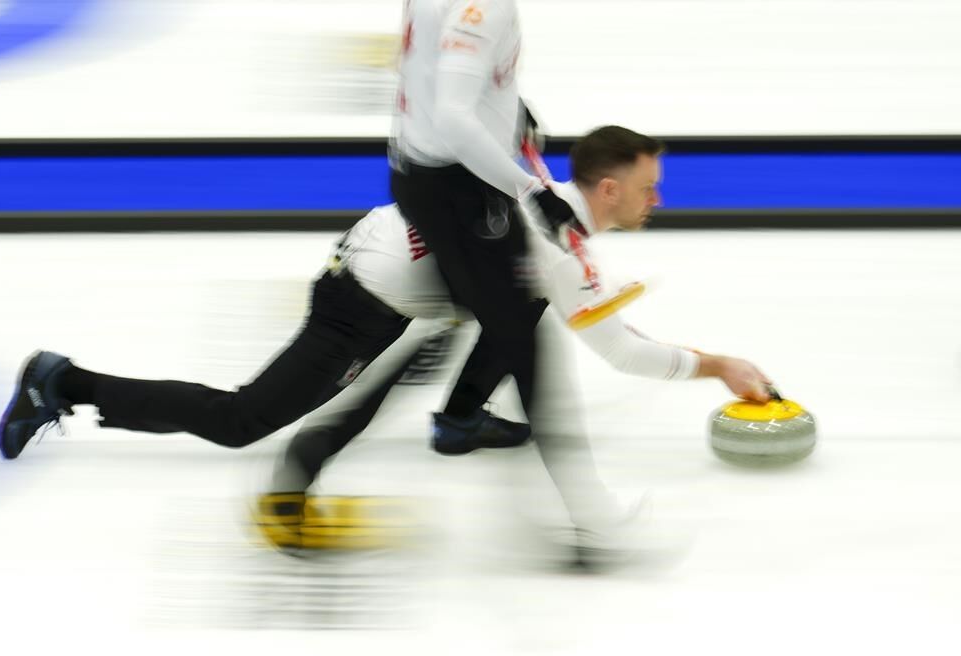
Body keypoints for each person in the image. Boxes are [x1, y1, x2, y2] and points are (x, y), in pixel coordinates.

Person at [254, 126, 773, 558]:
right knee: (256, 415)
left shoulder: (544, 195)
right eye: (648, 188)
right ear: (610, 189)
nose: (657, 199)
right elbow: (622, 351)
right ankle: (313, 459)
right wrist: (721, 366)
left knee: (519, 312)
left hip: (386, 251)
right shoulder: (562, 254)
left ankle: (458, 423)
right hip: (372, 293)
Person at [388, 0, 592, 458]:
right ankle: (465, 422)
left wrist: (510, 107)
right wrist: (533, 193)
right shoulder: (483, 9)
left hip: (439, 174)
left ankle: (463, 409)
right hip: (460, 186)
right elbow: (455, 118)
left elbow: (437, 71)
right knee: (517, 309)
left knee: (520, 300)